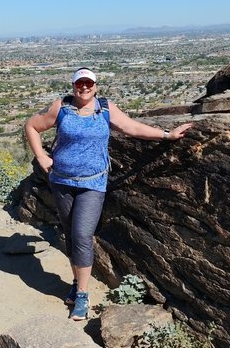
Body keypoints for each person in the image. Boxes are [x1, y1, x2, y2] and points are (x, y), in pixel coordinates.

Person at [25, 67, 193, 321]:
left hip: (93, 183)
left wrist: (167, 135)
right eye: (79, 83)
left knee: (82, 234)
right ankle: (76, 282)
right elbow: (32, 126)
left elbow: (130, 127)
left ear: (96, 86)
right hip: (61, 181)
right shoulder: (61, 107)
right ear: (73, 86)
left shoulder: (105, 108)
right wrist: (40, 155)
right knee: (71, 235)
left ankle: (82, 294)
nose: (84, 87)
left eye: (88, 83)